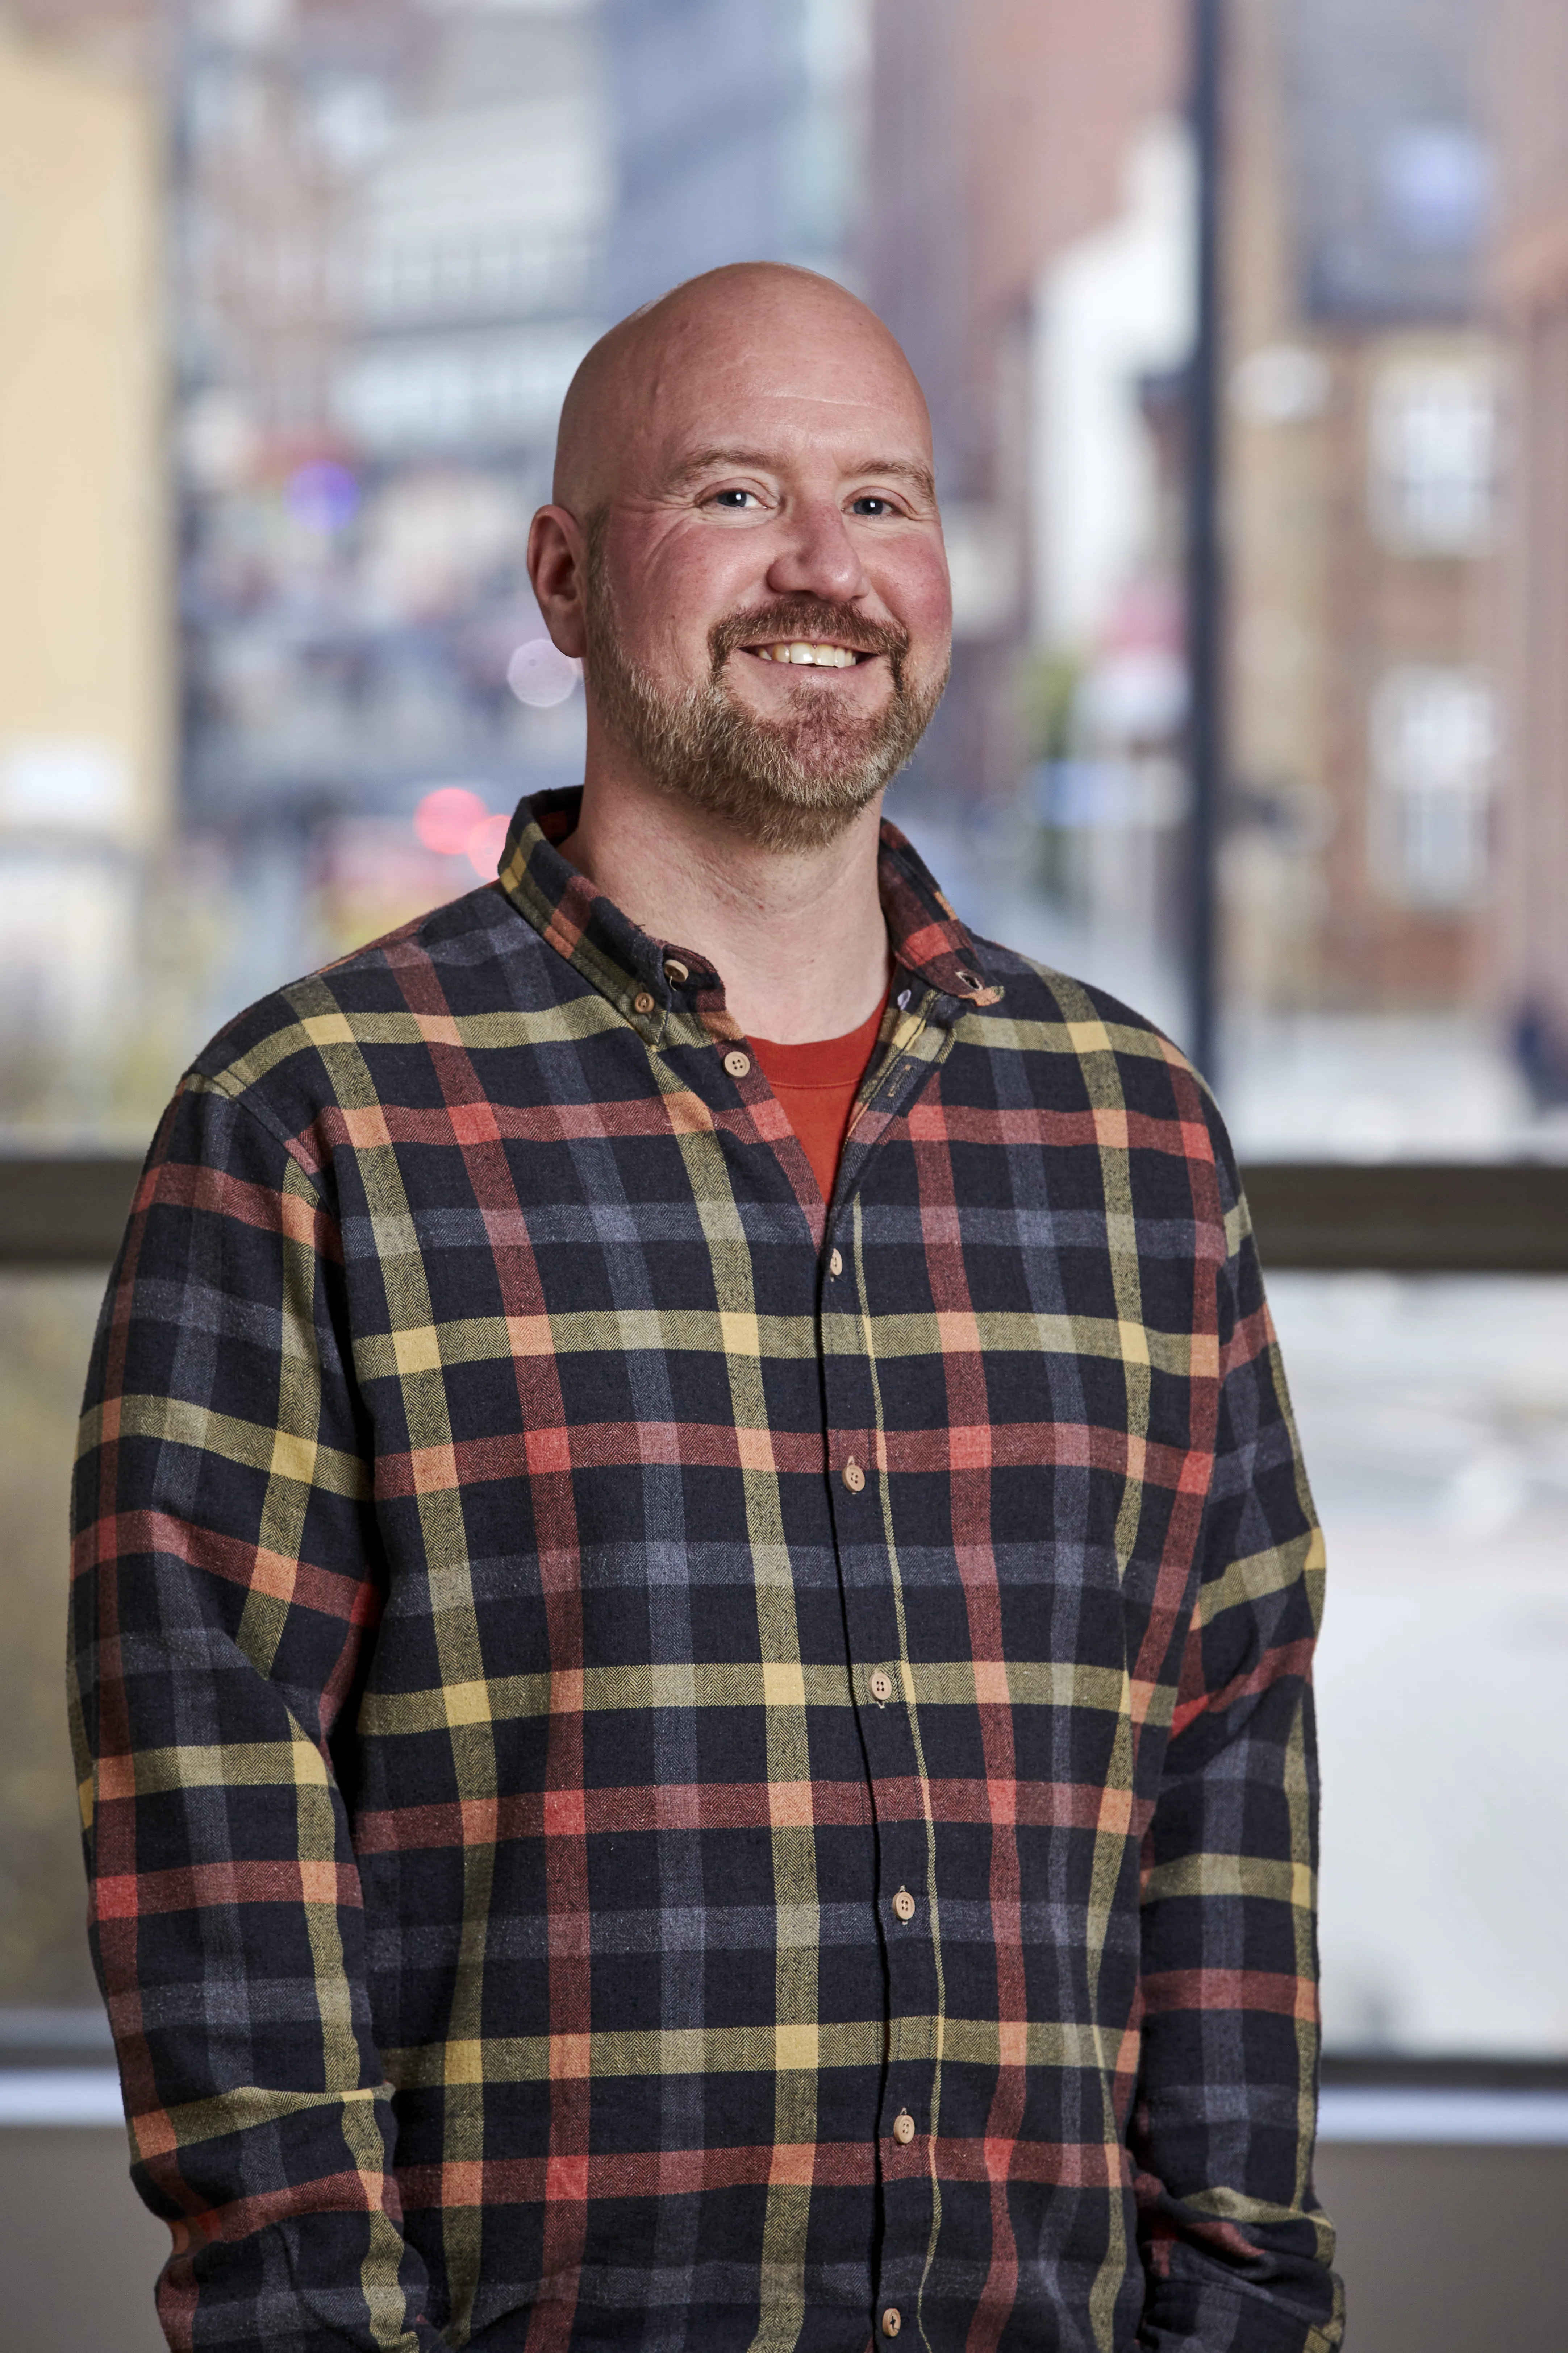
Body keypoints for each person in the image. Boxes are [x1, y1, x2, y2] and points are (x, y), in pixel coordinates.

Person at [70, 263, 1342, 2353]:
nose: (825, 570)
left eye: (887, 501)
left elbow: (1226, 1790)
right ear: (565, 577)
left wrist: (1242, 2314)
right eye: (737, 494)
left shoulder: (1133, 1139)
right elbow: (217, 1834)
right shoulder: (313, 1124)